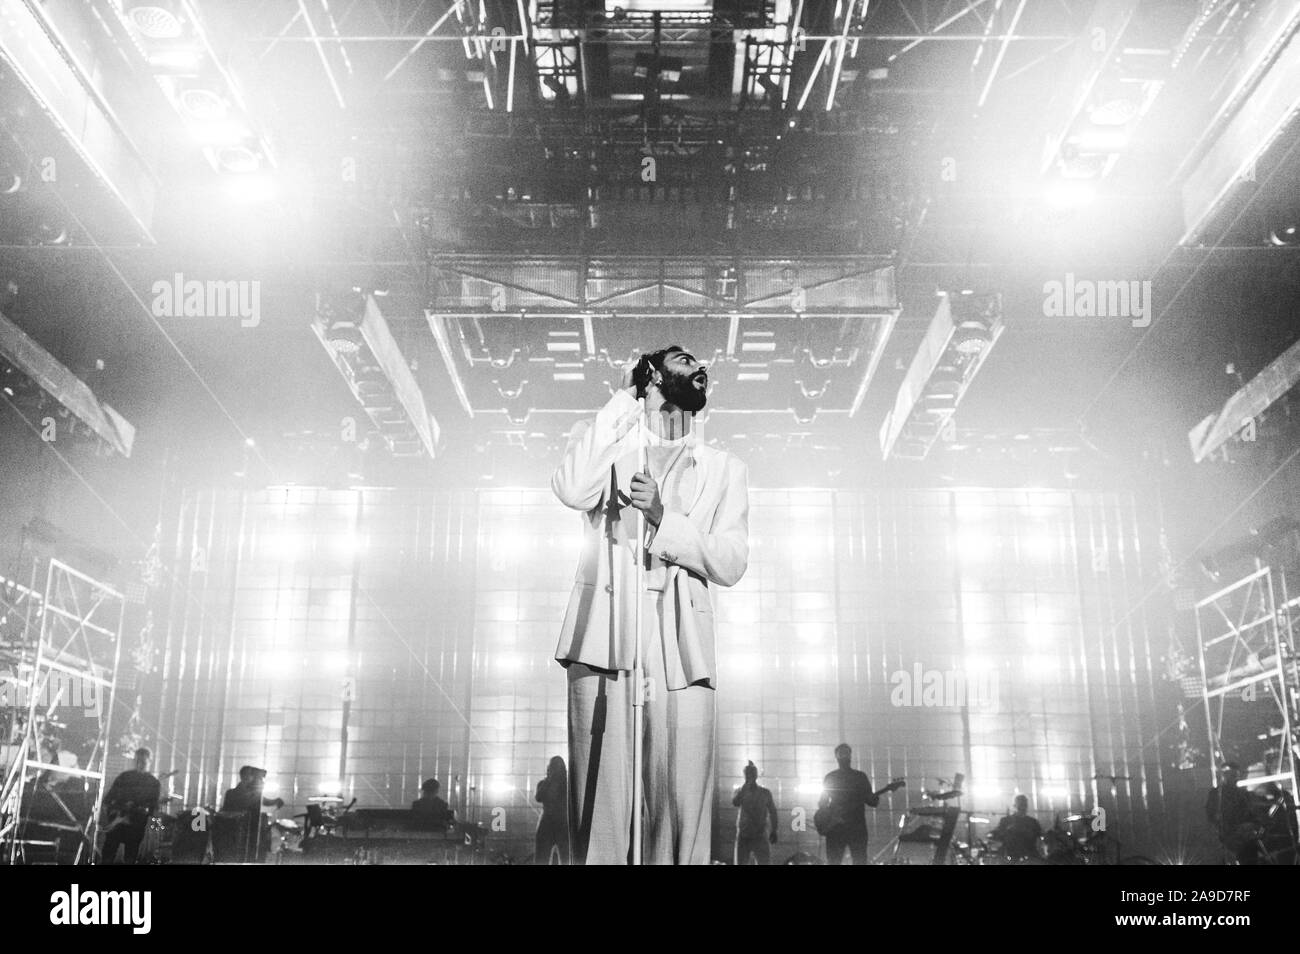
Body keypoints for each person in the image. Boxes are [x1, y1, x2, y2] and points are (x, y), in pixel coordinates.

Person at [553, 345, 749, 865]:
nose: (699, 367)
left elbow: (731, 561)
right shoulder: (611, 450)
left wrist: (664, 518)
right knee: (601, 803)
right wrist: (626, 398)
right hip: (605, 634)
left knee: (680, 801)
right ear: (654, 374)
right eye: (684, 359)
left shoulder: (724, 468)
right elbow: (571, 489)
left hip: (680, 645)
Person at [817, 744, 884, 865]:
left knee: (854, 861)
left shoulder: (857, 777)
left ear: (850, 756)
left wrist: (829, 818)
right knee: (841, 861)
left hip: (851, 828)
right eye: (842, 754)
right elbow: (822, 803)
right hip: (847, 828)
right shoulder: (855, 777)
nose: (844, 757)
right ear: (836, 757)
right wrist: (831, 818)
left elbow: (872, 801)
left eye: (846, 753)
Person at [101, 748, 160, 864]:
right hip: (117, 821)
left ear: (150, 761)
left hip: (136, 824)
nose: (139, 764)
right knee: (108, 853)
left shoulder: (153, 783)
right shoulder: (124, 777)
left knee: (130, 855)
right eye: (137, 761)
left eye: (143, 762)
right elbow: (107, 800)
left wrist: (144, 810)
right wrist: (110, 815)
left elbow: (153, 808)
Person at [1205, 762, 1258, 864]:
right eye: (1231, 775)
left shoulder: (1244, 794)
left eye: (1235, 775)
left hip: (1243, 838)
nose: (1234, 779)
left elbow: (1252, 815)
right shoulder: (1216, 794)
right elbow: (1211, 816)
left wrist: (1250, 825)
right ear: (1224, 776)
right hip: (1226, 838)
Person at [732, 761, 778, 865]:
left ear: (756, 775)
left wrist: (774, 830)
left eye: (751, 773)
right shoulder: (740, 791)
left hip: (759, 834)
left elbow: (773, 811)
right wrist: (774, 830)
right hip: (744, 835)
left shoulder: (765, 793)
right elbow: (735, 802)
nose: (749, 776)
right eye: (747, 774)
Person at [534, 756, 570, 864]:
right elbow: (538, 797)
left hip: (550, 824)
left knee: (543, 859)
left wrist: (549, 779)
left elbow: (538, 797)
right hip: (560, 824)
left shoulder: (566, 785)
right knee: (565, 859)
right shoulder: (567, 785)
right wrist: (549, 780)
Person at [990, 795, 1043, 861]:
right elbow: (999, 836)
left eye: (1024, 804)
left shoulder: (1033, 822)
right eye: (1020, 804)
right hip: (1012, 857)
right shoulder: (1006, 821)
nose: (1022, 807)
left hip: (1030, 857)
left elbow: (1040, 839)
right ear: (1015, 806)